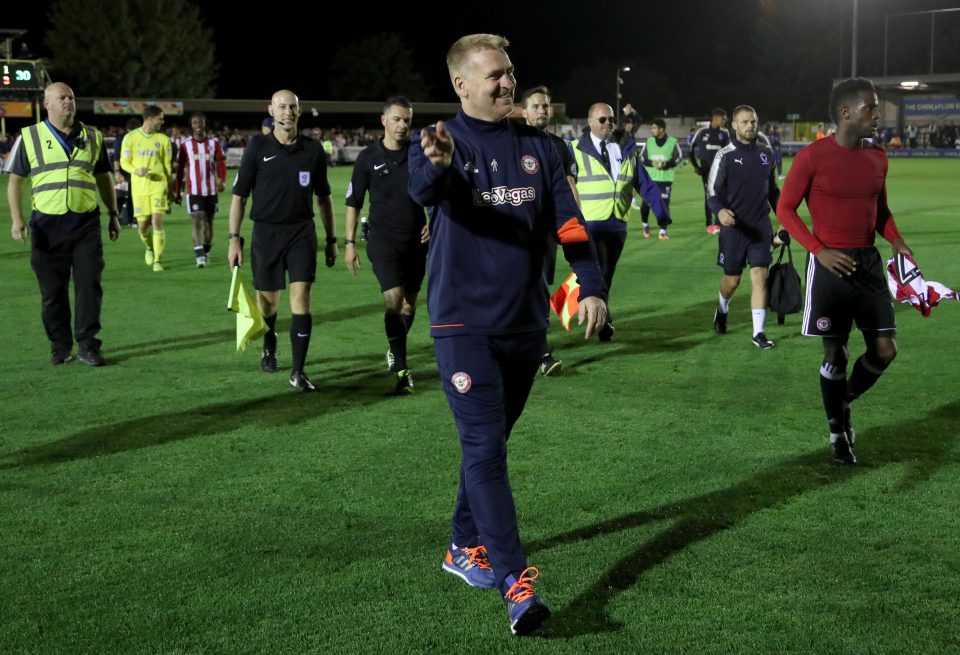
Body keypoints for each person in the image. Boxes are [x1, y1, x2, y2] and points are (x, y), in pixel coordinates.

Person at [409, 34, 607, 636]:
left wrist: (591, 282)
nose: (505, 83)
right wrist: (438, 166)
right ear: (461, 86)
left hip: (525, 324)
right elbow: (423, 186)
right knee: (485, 450)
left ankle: (461, 545)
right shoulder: (443, 142)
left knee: (489, 443)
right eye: (493, 75)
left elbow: (568, 222)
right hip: (462, 325)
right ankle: (515, 583)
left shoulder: (542, 148)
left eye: (509, 72)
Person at [776, 77, 913, 466]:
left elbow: (879, 211)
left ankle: (844, 399)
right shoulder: (812, 157)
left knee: (885, 350)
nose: (877, 114)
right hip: (829, 267)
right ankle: (837, 434)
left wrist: (896, 240)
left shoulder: (878, 157)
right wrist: (818, 251)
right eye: (871, 107)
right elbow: (785, 209)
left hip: (868, 265)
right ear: (845, 113)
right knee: (834, 352)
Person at [227, 89, 337, 392]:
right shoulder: (256, 148)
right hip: (266, 233)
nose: (287, 112)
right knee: (269, 303)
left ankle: (298, 371)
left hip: (301, 232)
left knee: (301, 298)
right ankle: (270, 340)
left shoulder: (313, 151)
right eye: (282, 107)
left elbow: (324, 198)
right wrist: (234, 239)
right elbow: (239, 198)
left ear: (299, 111)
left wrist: (331, 238)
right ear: (271, 111)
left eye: (293, 107)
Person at [6, 82, 121, 366]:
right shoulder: (29, 136)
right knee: (52, 293)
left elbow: (104, 177)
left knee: (88, 287)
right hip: (46, 227)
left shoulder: (93, 136)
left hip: (85, 225)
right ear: (47, 104)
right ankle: (59, 345)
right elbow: (15, 181)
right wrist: (17, 219)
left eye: (71, 96)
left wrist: (113, 213)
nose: (68, 101)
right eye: (62, 97)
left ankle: (88, 345)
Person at [343, 96, 428, 394]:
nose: (402, 125)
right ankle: (403, 370)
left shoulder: (419, 155)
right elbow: (353, 203)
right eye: (397, 119)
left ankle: (396, 349)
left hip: (417, 241)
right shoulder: (367, 158)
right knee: (393, 299)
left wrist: (434, 221)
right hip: (382, 240)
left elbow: (438, 191)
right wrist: (349, 243)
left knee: (409, 303)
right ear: (384, 121)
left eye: (407, 119)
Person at [570, 102, 669, 342]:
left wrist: (661, 213)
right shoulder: (573, 149)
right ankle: (604, 324)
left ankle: (578, 302)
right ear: (590, 122)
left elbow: (643, 182)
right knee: (601, 272)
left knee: (607, 275)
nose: (608, 124)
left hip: (617, 224)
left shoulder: (626, 147)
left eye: (611, 120)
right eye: (603, 120)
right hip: (590, 224)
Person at [707, 105, 780, 349]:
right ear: (734, 126)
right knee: (733, 280)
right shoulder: (724, 155)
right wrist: (720, 211)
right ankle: (722, 307)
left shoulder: (767, 154)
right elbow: (712, 193)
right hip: (735, 229)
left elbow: (773, 192)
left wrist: (786, 220)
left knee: (760, 275)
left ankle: (758, 333)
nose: (751, 125)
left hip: (760, 227)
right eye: (745, 122)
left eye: (754, 121)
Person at [520, 85, 580, 376]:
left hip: (547, 230)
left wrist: (578, 221)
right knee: (520, 287)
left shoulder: (559, 145)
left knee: (540, 287)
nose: (542, 110)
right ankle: (537, 350)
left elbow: (569, 186)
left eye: (545, 105)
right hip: (517, 229)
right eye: (536, 106)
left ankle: (538, 348)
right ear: (524, 111)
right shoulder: (513, 142)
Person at [120, 105, 173, 272]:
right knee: (143, 225)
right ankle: (149, 248)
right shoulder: (130, 138)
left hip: (158, 185)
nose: (162, 122)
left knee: (157, 220)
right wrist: (136, 170)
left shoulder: (163, 140)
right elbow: (124, 162)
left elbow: (167, 166)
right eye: (160, 118)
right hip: (139, 188)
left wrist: (170, 189)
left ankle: (158, 260)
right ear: (150, 119)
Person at [175, 112, 226, 268]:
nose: (198, 125)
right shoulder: (185, 144)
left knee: (209, 223)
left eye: (200, 123)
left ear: (205, 124)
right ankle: (199, 257)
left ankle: (206, 251)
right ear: (192, 126)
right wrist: (178, 191)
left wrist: (221, 179)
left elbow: (220, 164)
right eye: (195, 123)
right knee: (197, 220)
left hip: (210, 191)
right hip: (194, 191)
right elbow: (179, 169)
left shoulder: (214, 143)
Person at [638, 118, 682, 240]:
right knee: (645, 206)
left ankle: (662, 231)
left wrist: (665, 165)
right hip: (650, 179)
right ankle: (645, 225)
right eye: (651, 128)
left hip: (665, 179)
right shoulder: (649, 141)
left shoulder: (673, 141)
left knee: (664, 206)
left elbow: (679, 157)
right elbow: (642, 158)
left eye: (654, 128)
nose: (652, 130)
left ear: (662, 129)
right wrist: (652, 163)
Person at [689, 108, 730, 234]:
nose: (724, 121)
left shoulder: (725, 133)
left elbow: (729, 152)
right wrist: (696, 166)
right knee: (709, 196)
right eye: (723, 119)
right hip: (706, 171)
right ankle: (709, 224)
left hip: (721, 171)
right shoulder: (702, 132)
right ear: (716, 118)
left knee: (720, 196)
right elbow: (691, 149)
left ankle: (718, 223)